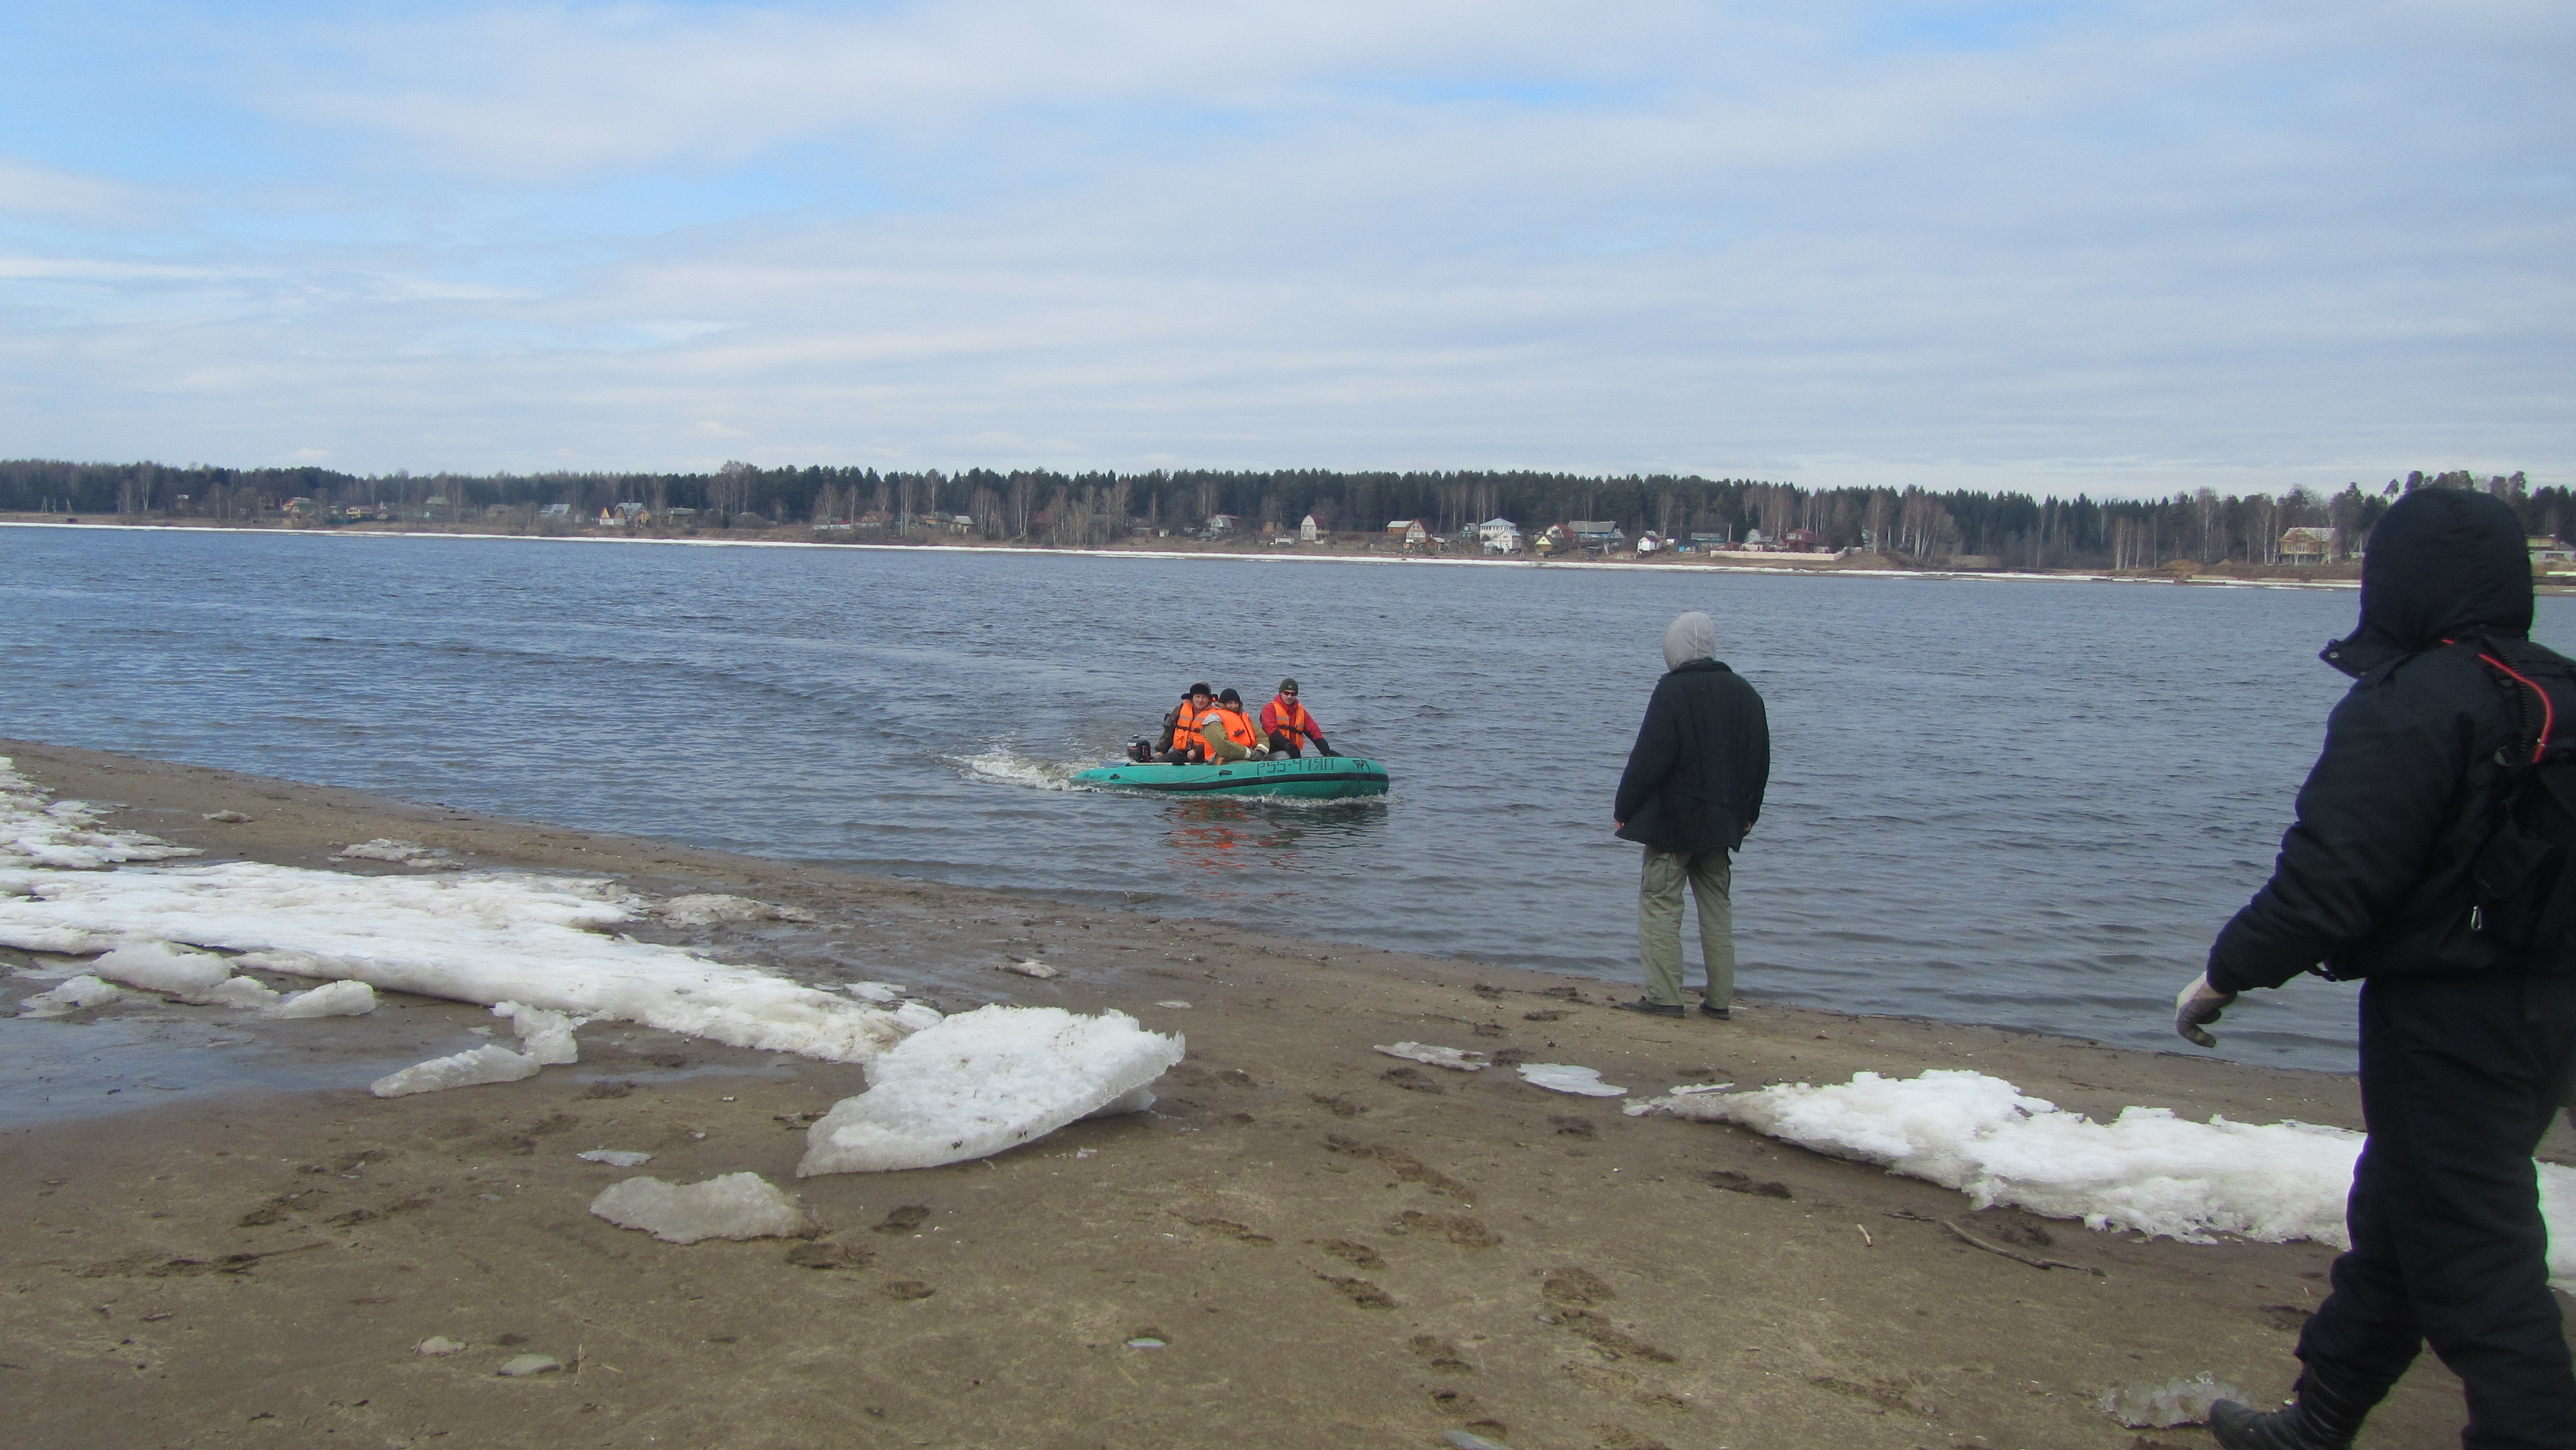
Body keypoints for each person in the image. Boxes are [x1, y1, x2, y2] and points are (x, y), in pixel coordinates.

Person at [2178, 488, 2576, 1450]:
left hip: (2448, 1017)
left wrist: (2227, 972)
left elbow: (2330, 882)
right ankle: (2318, 1421)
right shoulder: (2561, 687)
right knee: (2409, 1215)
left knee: (2477, 1258)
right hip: (2554, 1009)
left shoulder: (2410, 703)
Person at [1611, 611, 1769, 1020]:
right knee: (1717, 906)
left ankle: (1665, 997)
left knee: (1660, 902)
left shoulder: (1673, 692)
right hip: (1722, 824)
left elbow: (1649, 759)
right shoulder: (1747, 694)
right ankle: (1719, 1002)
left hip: (1673, 824)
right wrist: (1749, 813)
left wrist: (1624, 810)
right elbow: (1758, 761)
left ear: (1673, 649)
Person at [1261, 678, 1336, 758]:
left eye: (1293, 694)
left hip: (1293, 752)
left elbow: (1314, 731)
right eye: (1286, 693)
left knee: (1290, 756)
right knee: (1286, 756)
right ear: (1281, 693)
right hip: (1271, 752)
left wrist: (1326, 751)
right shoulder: (1270, 709)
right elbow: (1271, 731)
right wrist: (1288, 745)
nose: (1289, 697)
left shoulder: (1301, 712)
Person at [1197, 688, 1267, 763]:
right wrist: (1251, 755)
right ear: (1223, 704)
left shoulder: (1244, 717)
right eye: (1230, 703)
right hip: (1222, 758)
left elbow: (1262, 736)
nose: (1234, 706)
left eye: (1236, 703)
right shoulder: (1214, 718)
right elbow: (1223, 746)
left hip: (1249, 755)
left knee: (1279, 756)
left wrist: (1260, 752)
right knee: (1245, 765)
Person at [1158, 684, 1215, 764]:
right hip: (1180, 754)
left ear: (1209, 699)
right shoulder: (1180, 710)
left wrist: (1197, 751)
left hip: (1203, 757)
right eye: (1197, 697)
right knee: (1159, 760)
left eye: (1204, 697)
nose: (1200, 700)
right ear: (1192, 698)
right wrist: (1161, 751)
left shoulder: (1215, 714)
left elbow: (1217, 741)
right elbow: (1169, 732)